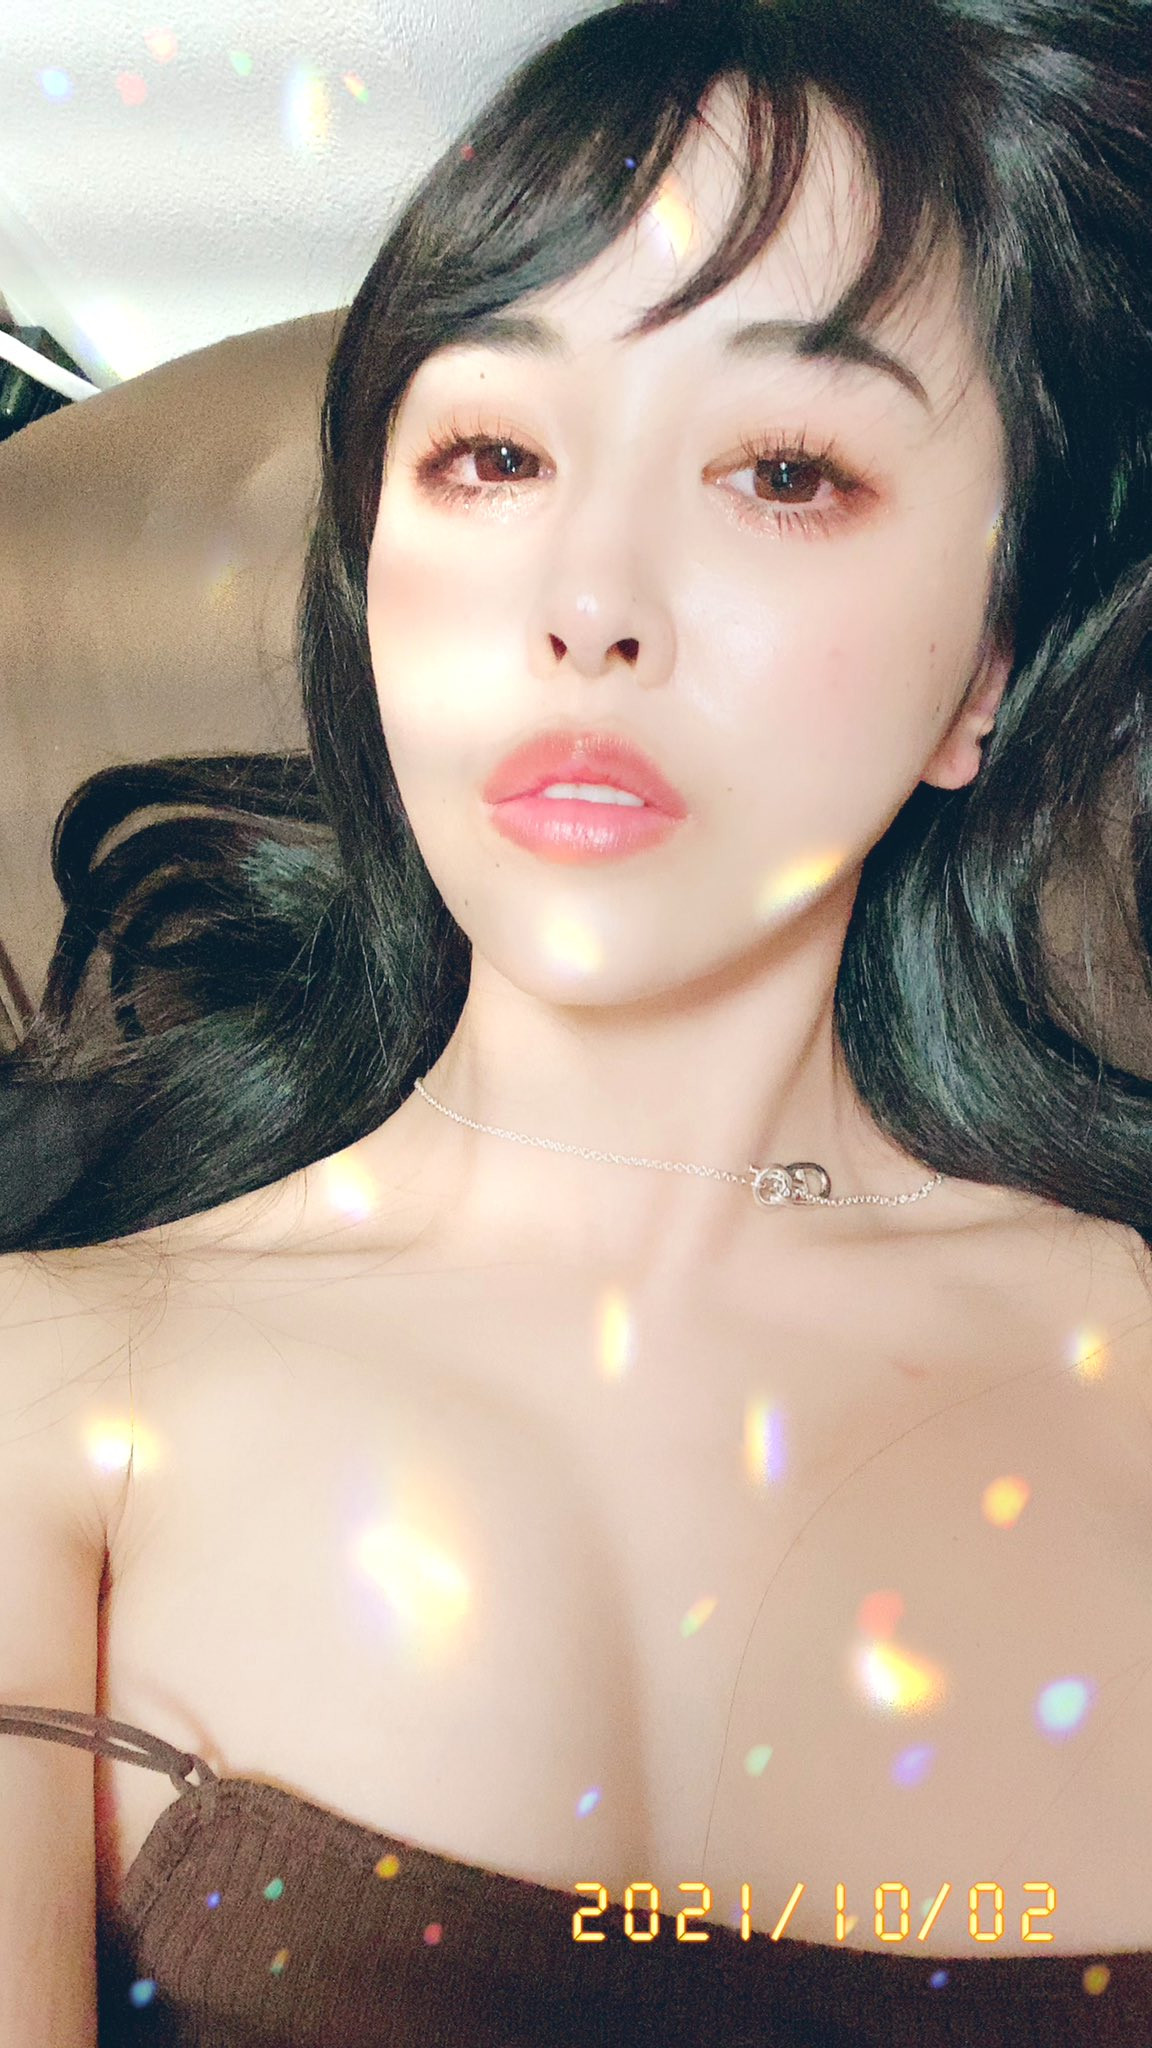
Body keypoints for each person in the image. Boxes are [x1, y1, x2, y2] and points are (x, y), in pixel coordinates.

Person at [1, 0, 1151, 2041]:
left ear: (987, 665)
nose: (591, 598)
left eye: (784, 471)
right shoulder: (55, 1392)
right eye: (495, 455)